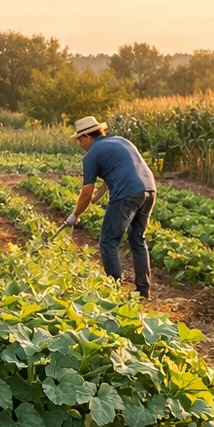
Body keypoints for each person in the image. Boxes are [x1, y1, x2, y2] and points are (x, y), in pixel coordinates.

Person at [59, 115, 158, 297]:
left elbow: (86, 192)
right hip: (150, 189)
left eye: (80, 140)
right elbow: (123, 167)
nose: (80, 145)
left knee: (108, 241)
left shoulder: (92, 155)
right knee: (138, 239)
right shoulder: (120, 141)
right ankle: (143, 291)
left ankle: (114, 292)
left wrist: (75, 215)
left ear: (88, 136)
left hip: (126, 194)